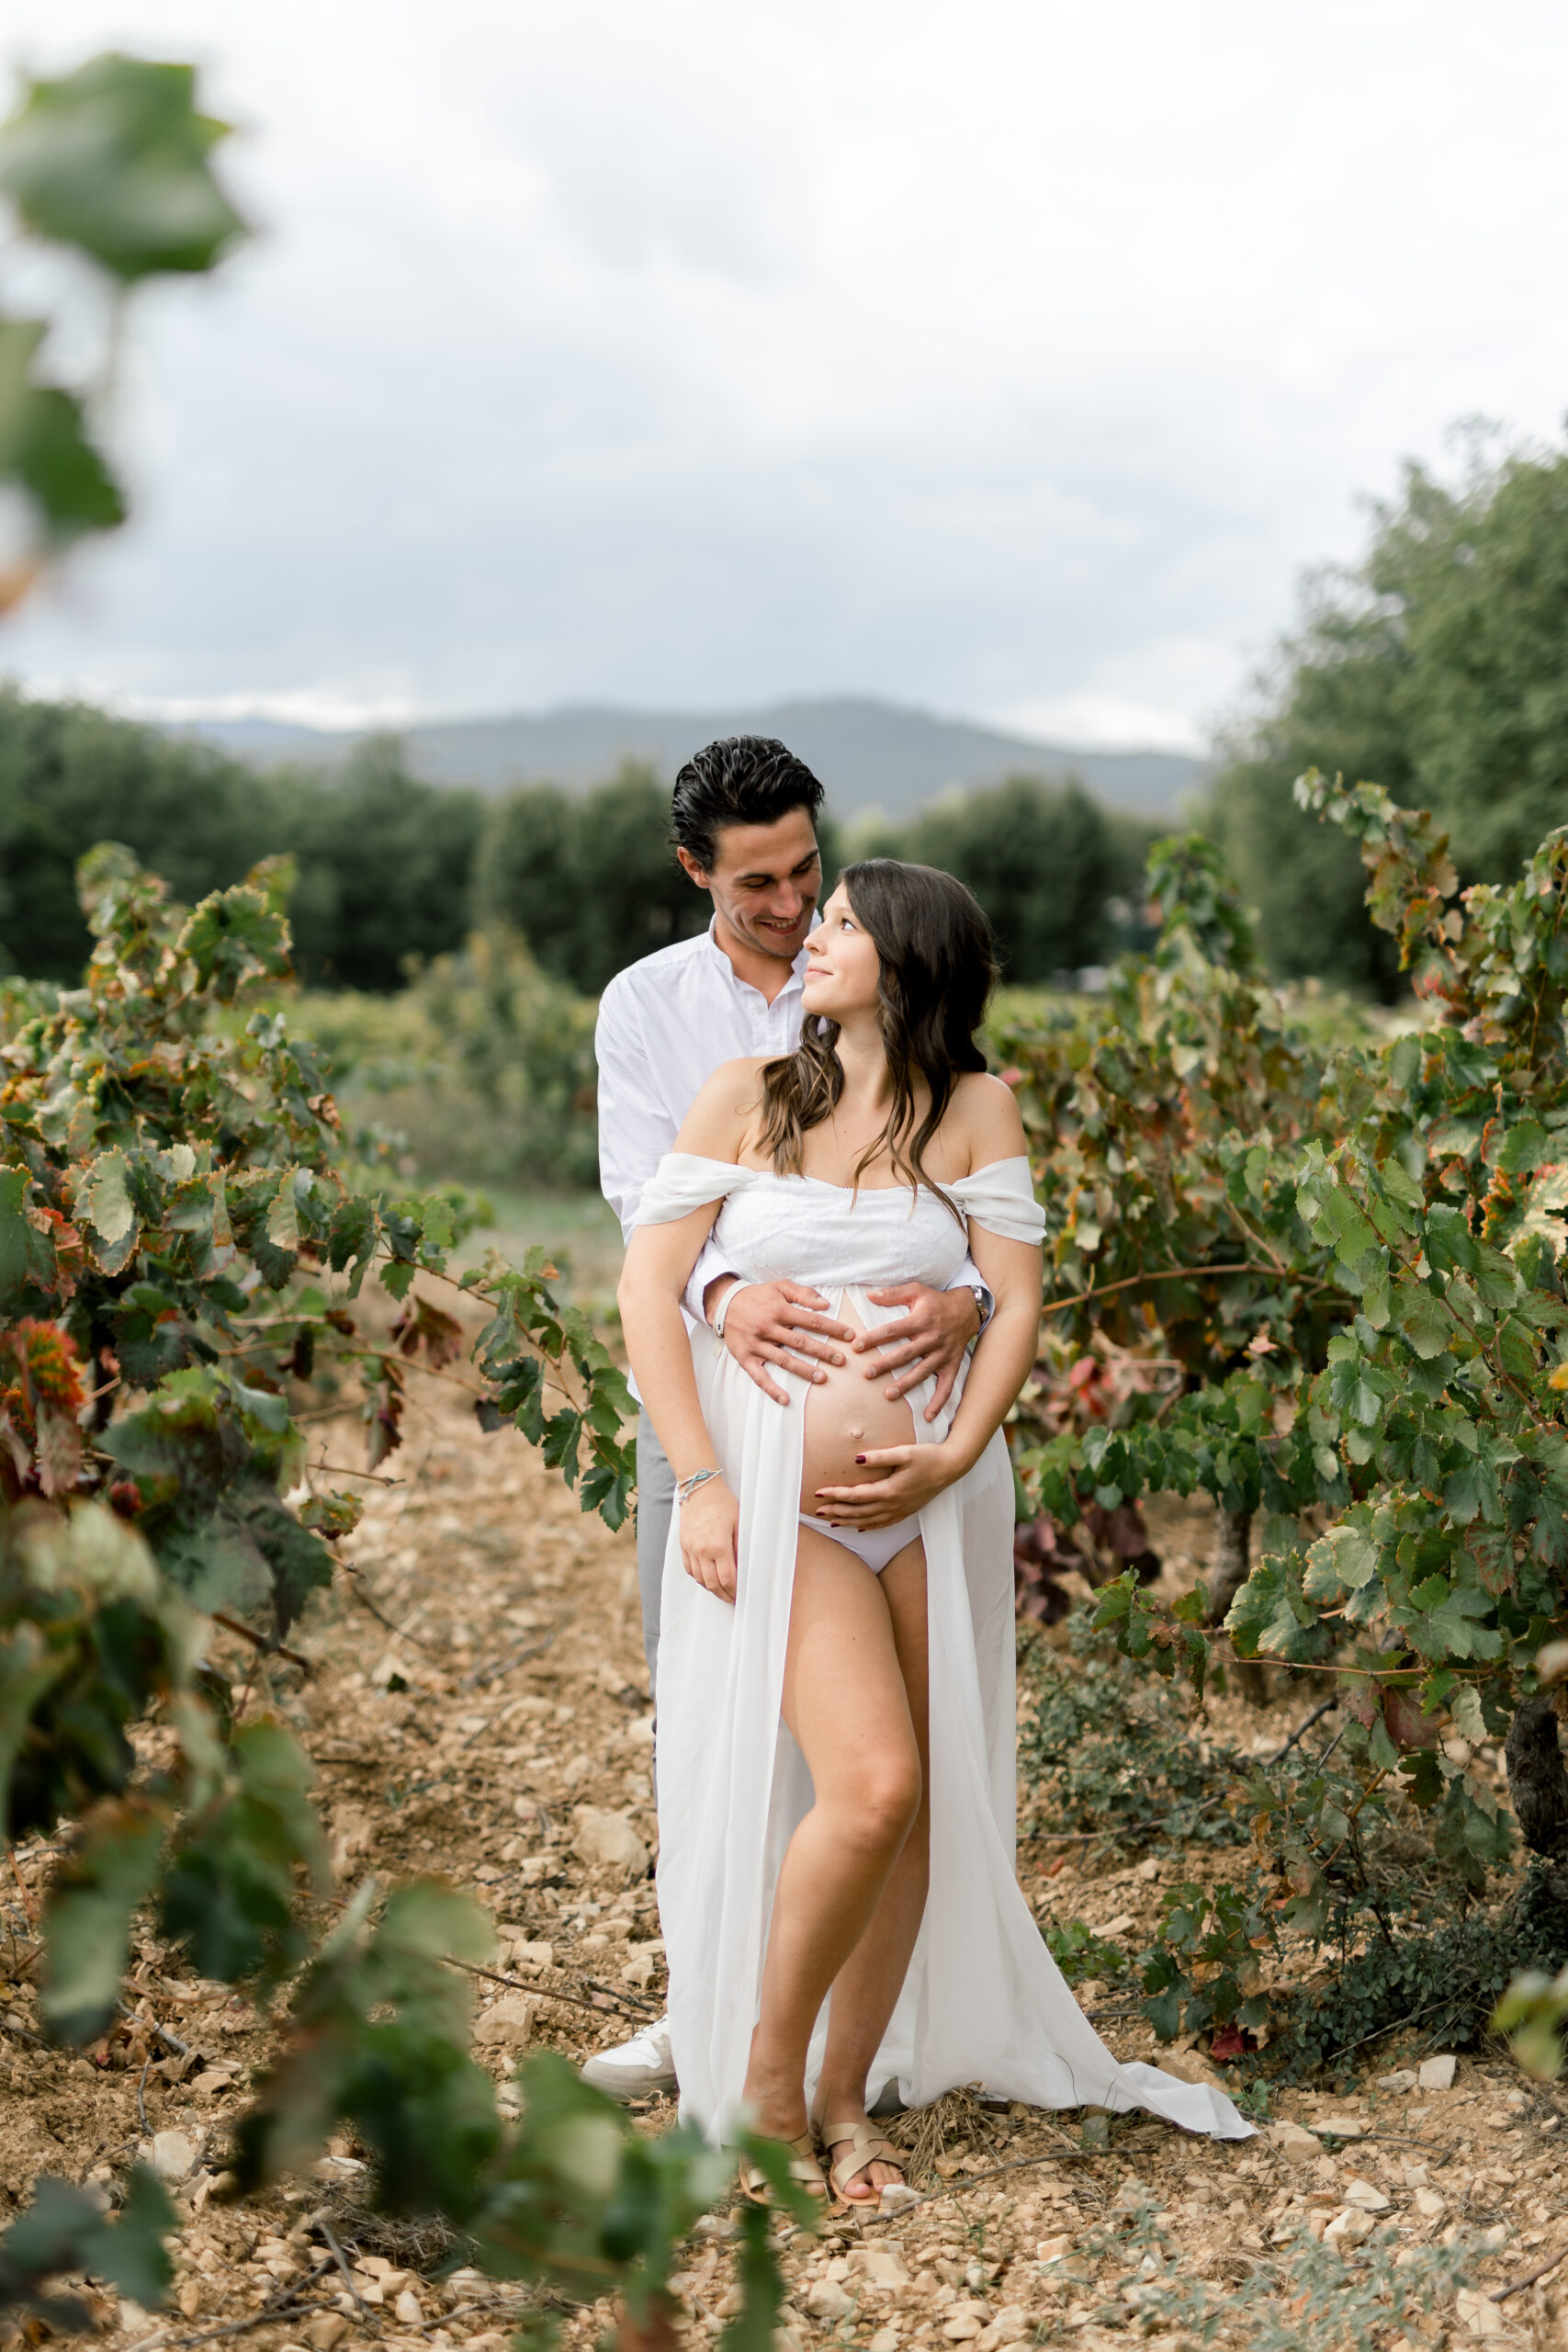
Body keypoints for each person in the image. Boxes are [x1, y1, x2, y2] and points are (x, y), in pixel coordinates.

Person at [618, 859, 1250, 2206]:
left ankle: (849, 2099)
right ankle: (767, 2095)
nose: (815, 937)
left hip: (936, 1504)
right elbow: (649, 1288)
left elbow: (1015, 1302)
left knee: (920, 1814)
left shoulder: (976, 1109)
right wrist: (704, 1481)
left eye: (842, 922)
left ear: (904, 961)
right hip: (787, 1505)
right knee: (876, 1786)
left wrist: (952, 1455)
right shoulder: (746, 1095)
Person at [584, 739, 991, 2101]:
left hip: (907, 1479)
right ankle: (699, 2004)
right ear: (695, 870)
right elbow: (643, 1211)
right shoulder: (648, 1008)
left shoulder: (889, 983)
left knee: (889, 1772)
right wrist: (730, 1291)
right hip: (709, 1400)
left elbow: (964, 1213)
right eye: (760, 881)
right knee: (705, 1698)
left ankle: (830, 2054)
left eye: (808, 873)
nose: (790, 901)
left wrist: (974, 1302)